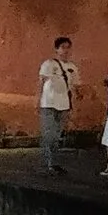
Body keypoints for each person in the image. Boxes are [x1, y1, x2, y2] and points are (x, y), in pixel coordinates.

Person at [36, 37, 78, 174]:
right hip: (48, 103)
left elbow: (73, 87)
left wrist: (73, 103)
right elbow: (41, 82)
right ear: (56, 49)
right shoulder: (48, 64)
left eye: (68, 47)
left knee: (58, 134)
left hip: (64, 105)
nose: (66, 51)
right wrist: (38, 100)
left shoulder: (72, 68)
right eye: (63, 47)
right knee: (50, 134)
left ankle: (53, 162)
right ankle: (50, 162)